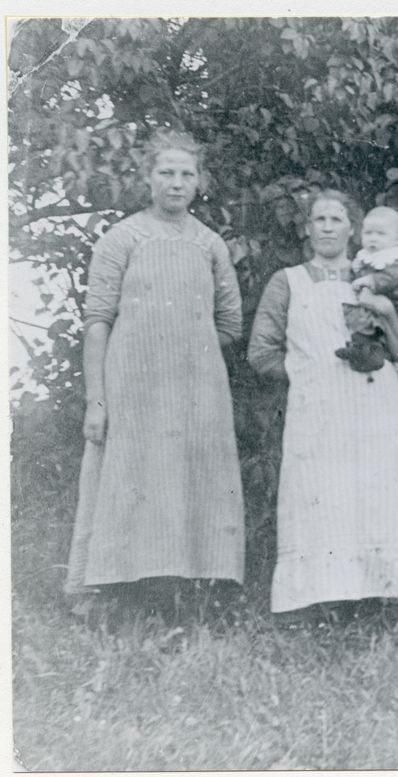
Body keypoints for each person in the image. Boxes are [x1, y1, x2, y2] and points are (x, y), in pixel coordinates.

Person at [65, 129, 246, 617]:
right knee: (133, 480)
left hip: (196, 392)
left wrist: (187, 350)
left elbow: (229, 322)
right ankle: (120, 597)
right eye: (166, 173)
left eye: (187, 174)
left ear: (199, 182)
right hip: (133, 390)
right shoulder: (122, 238)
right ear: (147, 178)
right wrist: (97, 399)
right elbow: (97, 322)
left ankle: (190, 598)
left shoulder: (210, 244)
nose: (176, 183)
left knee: (191, 482)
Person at [248, 190, 398, 622]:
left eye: (337, 219)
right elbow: (260, 353)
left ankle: (382, 596)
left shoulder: (380, 274)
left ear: (353, 228)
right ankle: (315, 600)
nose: (328, 227)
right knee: (319, 497)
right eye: (319, 219)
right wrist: (308, 375)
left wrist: (385, 314)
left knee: (376, 495)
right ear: (307, 228)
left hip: (373, 406)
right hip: (318, 412)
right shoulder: (287, 281)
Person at [337, 206, 398, 375]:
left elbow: (389, 279)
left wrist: (368, 279)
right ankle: (365, 352)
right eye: (368, 233)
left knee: (363, 316)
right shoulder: (368, 255)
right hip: (379, 301)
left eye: (380, 234)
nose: (373, 239)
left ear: (396, 239)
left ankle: (369, 351)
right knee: (363, 317)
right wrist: (357, 270)